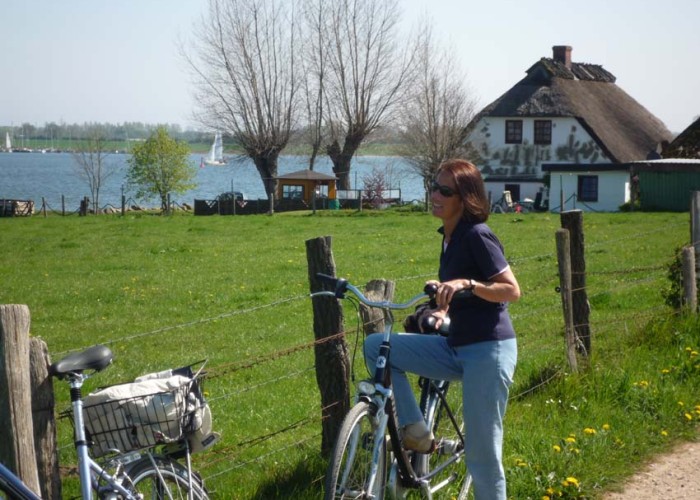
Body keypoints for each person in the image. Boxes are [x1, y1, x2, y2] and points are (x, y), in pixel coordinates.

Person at [364, 158, 520, 500]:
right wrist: (440, 302)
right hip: (456, 346)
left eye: (444, 190)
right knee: (378, 346)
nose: (434, 194)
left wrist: (468, 283)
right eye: (433, 186)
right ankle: (417, 430)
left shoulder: (478, 235)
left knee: (483, 457)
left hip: (488, 352)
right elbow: (462, 294)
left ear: (465, 199)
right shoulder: (449, 237)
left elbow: (511, 289)